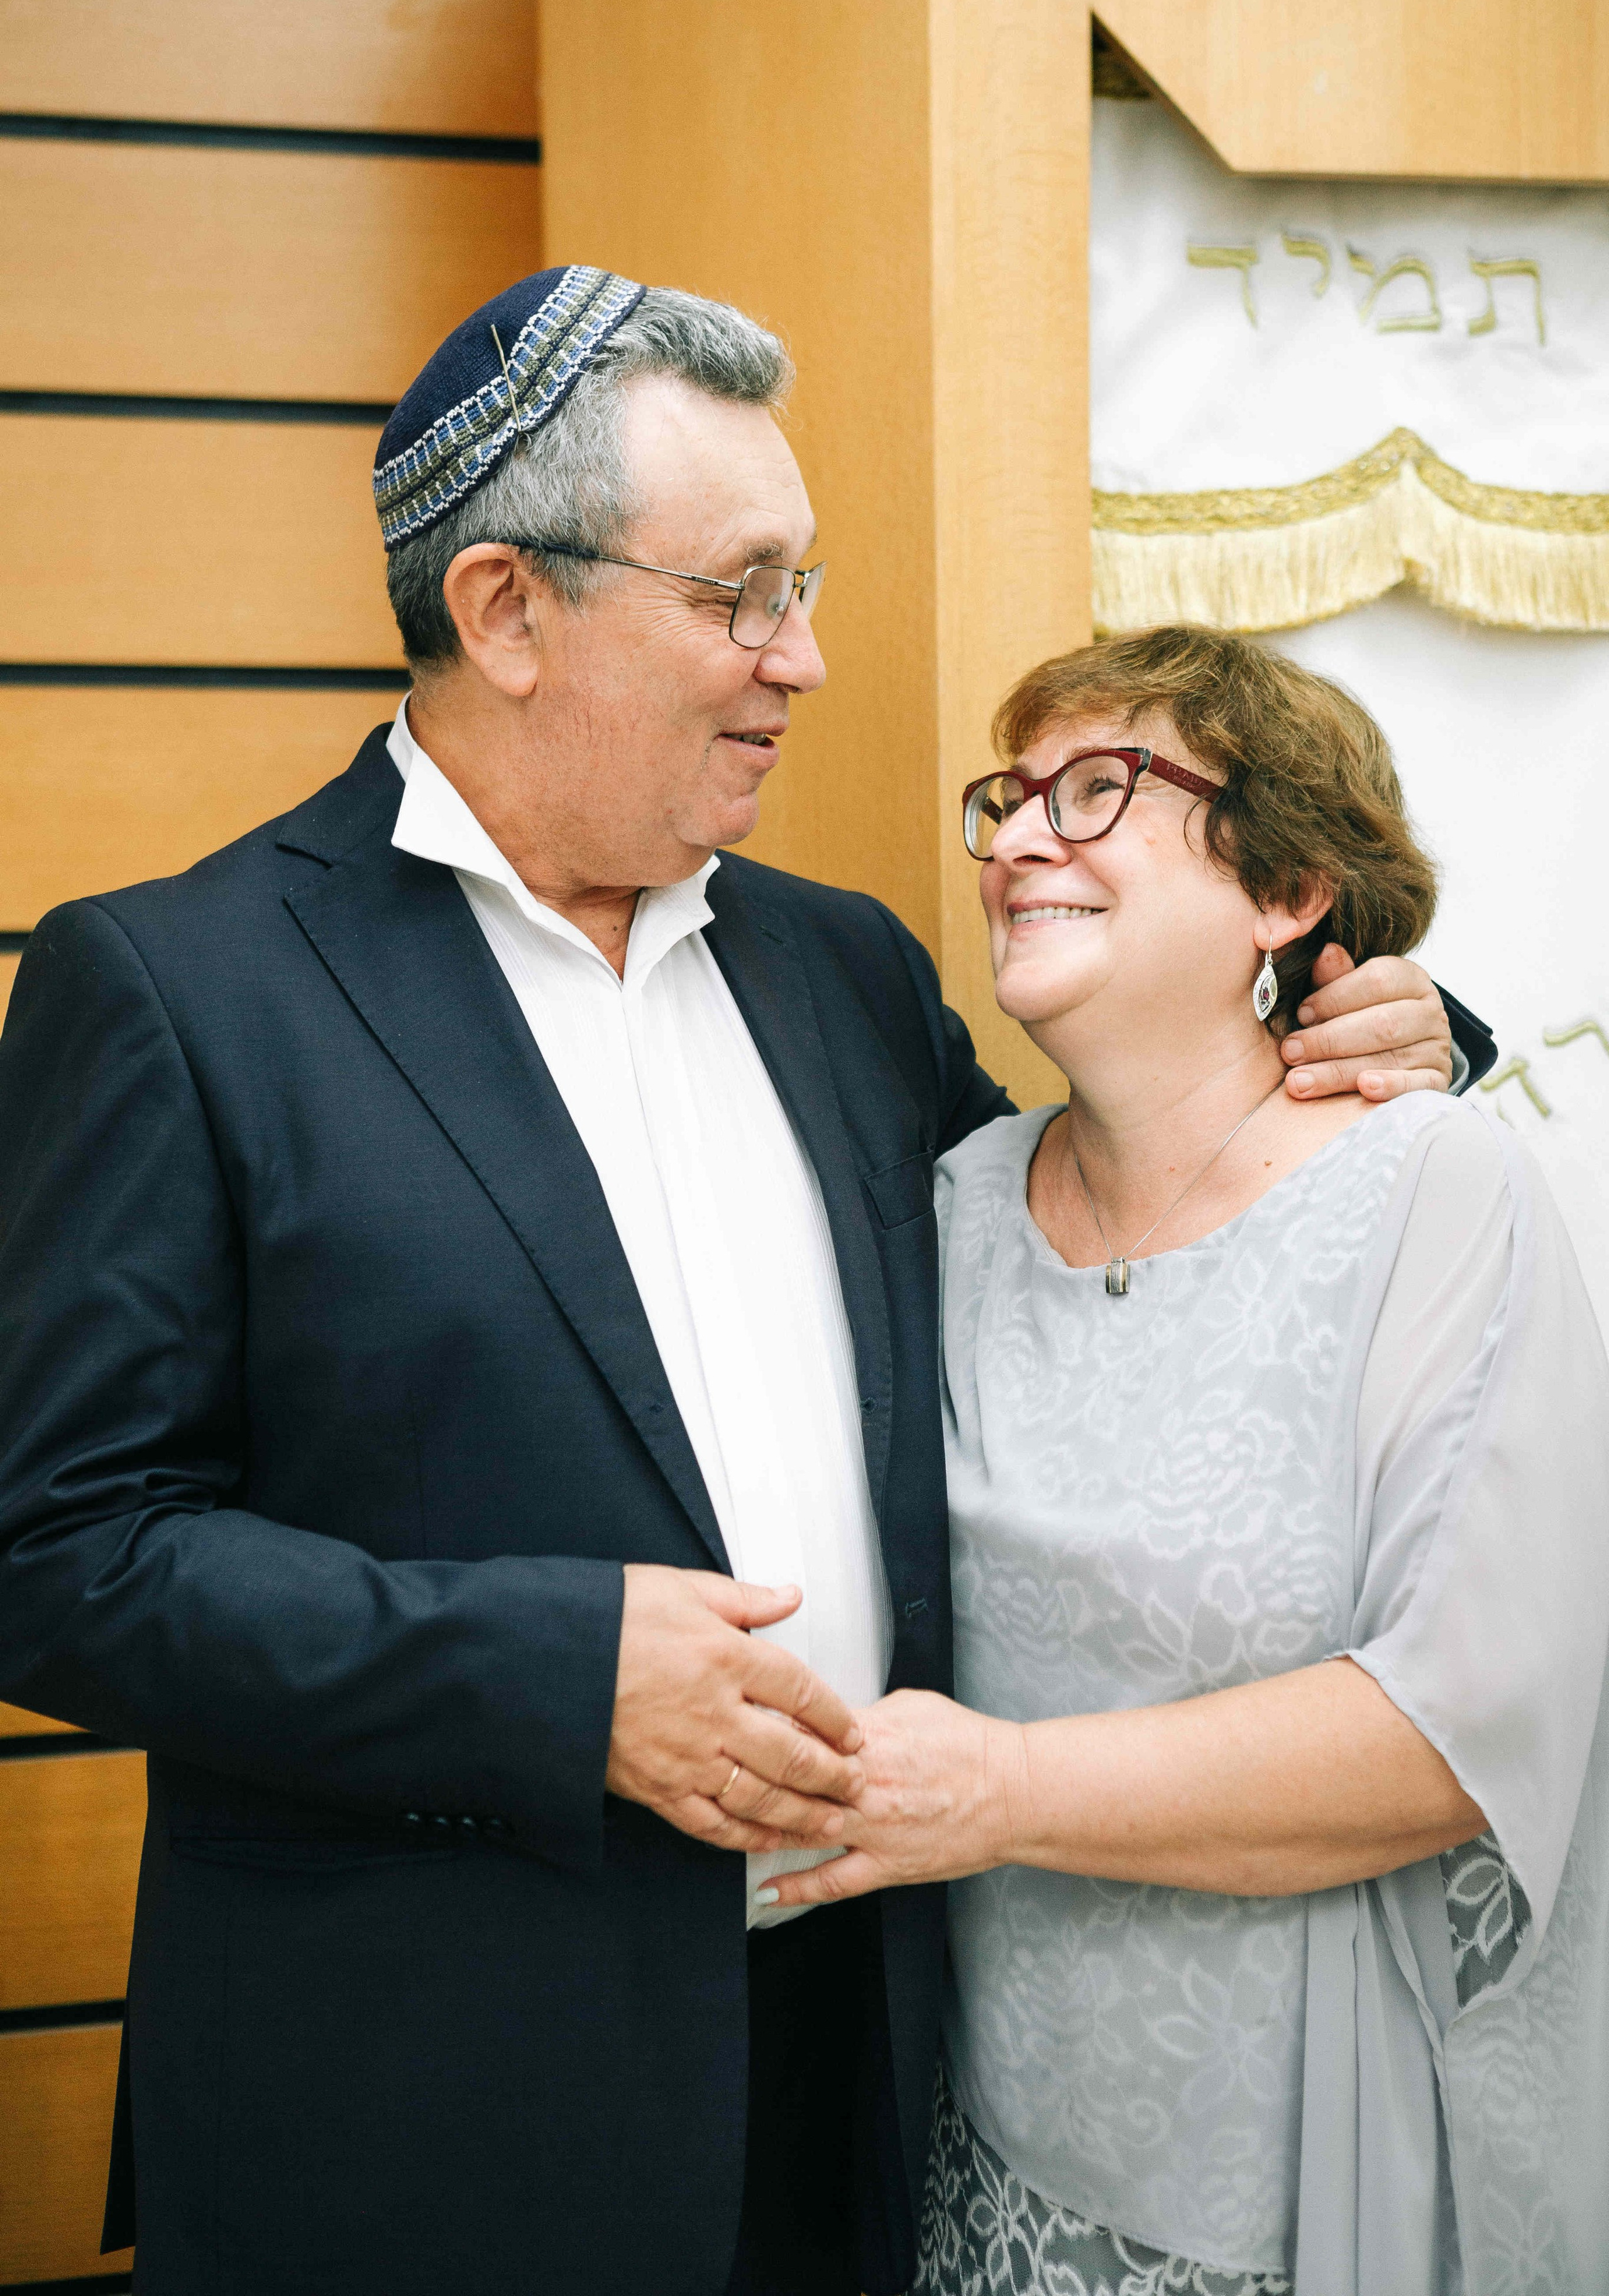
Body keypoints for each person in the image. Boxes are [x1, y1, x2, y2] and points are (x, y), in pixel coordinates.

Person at [0, 277, 1484, 2296]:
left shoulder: (843, 966)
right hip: (417, 2117)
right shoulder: (181, 989)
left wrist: (1392, 1030)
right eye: (743, 593)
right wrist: (553, 1676)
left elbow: (1124, 1207)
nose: (806, 657)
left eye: (806, 584)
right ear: (509, 611)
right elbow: (59, 1553)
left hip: (863, 2083)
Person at [761, 627, 1609, 2296]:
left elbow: (1464, 1727)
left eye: (1099, 790)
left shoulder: (1434, 1188)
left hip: (1320, 2137)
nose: (1016, 842)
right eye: (1008, 801)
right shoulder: (948, 1211)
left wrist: (994, 1793)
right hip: (994, 2141)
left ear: (1288, 889)